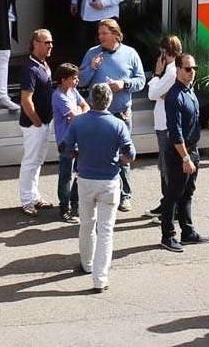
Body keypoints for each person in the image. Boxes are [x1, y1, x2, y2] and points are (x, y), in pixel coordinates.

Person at [66, 81, 133, 292]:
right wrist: (120, 161)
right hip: (109, 181)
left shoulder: (78, 122)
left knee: (86, 224)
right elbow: (130, 154)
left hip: (85, 179)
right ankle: (100, 279)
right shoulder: (118, 124)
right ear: (109, 100)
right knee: (106, 230)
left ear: (91, 100)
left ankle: (86, 264)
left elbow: (65, 147)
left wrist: (78, 155)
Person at [79, 18, 145, 211]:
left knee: (124, 155)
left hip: (121, 113)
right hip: (97, 115)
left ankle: (125, 195)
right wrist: (92, 67)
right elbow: (80, 81)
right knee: (95, 153)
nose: (100, 37)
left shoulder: (130, 53)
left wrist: (123, 84)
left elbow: (141, 81)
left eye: (104, 33)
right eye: (99, 34)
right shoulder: (92, 53)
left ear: (116, 34)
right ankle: (94, 195)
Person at [159, 47, 206, 251]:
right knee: (173, 194)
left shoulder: (190, 90)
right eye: (188, 68)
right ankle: (168, 236)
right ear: (177, 70)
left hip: (192, 150)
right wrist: (185, 158)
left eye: (194, 68)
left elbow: (191, 119)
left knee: (188, 193)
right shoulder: (174, 96)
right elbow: (175, 131)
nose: (192, 72)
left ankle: (187, 232)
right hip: (180, 153)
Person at [16, 29, 56, 216]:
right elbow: (26, 100)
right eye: (46, 42)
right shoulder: (30, 69)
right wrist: (37, 122)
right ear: (35, 44)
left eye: (51, 42)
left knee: (37, 161)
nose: (50, 46)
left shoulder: (43, 64)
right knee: (30, 162)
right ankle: (27, 201)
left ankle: (34, 196)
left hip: (45, 122)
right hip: (34, 125)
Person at [146, 35, 183, 218]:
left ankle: (171, 209)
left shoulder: (170, 72)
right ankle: (166, 203)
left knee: (168, 167)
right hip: (163, 122)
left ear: (164, 52)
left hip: (165, 124)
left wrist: (156, 74)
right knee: (164, 165)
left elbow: (152, 94)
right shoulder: (173, 70)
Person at [51, 62, 87, 221]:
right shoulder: (58, 96)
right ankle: (64, 207)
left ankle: (75, 203)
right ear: (63, 79)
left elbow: (85, 106)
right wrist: (79, 113)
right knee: (65, 175)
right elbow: (75, 118)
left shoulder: (73, 91)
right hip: (66, 142)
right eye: (74, 78)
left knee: (80, 173)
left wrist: (79, 112)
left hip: (79, 140)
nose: (77, 81)